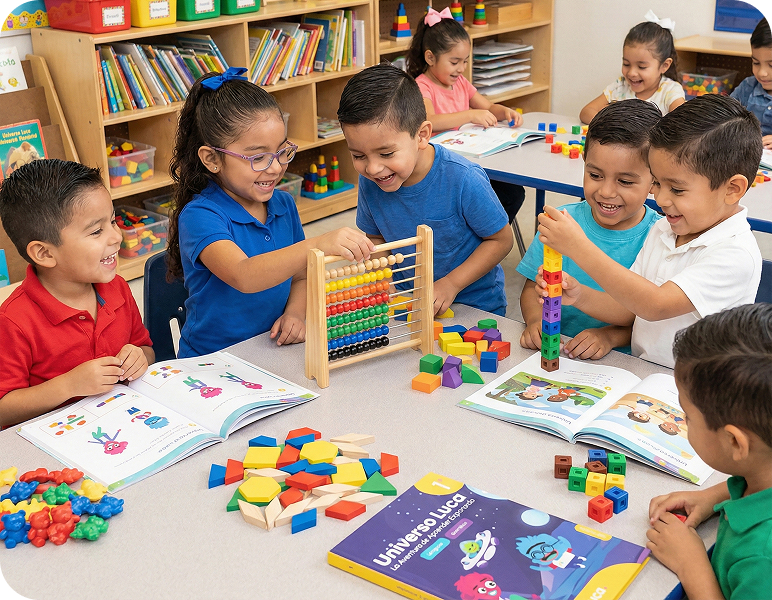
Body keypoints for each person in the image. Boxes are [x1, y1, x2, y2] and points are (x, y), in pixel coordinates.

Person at [537, 94, 762, 368]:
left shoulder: (735, 254)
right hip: (644, 374)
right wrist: (581, 295)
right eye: (657, 183)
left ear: (732, 189)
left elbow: (654, 305)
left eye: (676, 189)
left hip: (700, 393)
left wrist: (578, 247)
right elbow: (629, 305)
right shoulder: (665, 228)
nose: (662, 199)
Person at [166, 68, 374, 358]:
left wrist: (295, 314)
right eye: (258, 158)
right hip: (213, 361)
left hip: (271, 352)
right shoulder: (200, 216)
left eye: (281, 152)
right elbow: (244, 275)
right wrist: (317, 243)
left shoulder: (283, 205)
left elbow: (301, 276)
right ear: (211, 159)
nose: (275, 168)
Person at [337, 64, 514, 316]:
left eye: (386, 153)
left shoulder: (463, 178)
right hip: (413, 303)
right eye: (358, 155)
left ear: (422, 135)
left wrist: (451, 284)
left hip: (475, 307)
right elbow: (376, 237)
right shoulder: (371, 181)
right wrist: (380, 278)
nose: (373, 168)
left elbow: (501, 240)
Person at [0, 159, 154, 428]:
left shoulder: (116, 287)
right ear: (45, 253)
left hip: (125, 425)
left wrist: (139, 357)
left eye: (113, 221)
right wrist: (68, 385)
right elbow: (4, 410)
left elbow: (146, 349)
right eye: (96, 231)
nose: (117, 237)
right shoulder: (13, 321)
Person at [517, 99, 661, 359]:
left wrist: (610, 336)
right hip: (558, 354)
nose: (606, 192)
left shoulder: (660, 237)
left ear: (655, 180)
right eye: (595, 175)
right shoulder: (561, 222)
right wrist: (535, 321)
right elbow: (530, 288)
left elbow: (651, 317)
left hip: (622, 363)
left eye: (625, 181)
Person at [647, 304, 772, 600]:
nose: (683, 421)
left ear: (734, 443)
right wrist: (712, 496)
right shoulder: (759, 471)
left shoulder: (761, 559)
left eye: (688, 417)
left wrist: (691, 565)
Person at [405, 8, 526, 227]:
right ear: (430, 57)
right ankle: (477, 237)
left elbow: (487, 106)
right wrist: (470, 114)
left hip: (470, 161)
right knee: (497, 195)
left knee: (513, 192)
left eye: (465, 61)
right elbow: (429, 120)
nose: (461, 69)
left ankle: (484, 237)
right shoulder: (422, 86)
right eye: (454, 62)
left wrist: (505, 111)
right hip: (441, 168)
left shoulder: (460, 83)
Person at [580, 13, 685, 124]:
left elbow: (682, 123)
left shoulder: (670, 91)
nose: (632, 73)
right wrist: (615, 125)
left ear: (664, 66)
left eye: (642, 67)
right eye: (626, 64)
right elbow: (586, 112)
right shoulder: (620, 87)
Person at [730, 17, 772, 148]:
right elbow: (725, 117)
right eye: (756, 63)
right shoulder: (748, 87)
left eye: (771, 65)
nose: (762, 73)